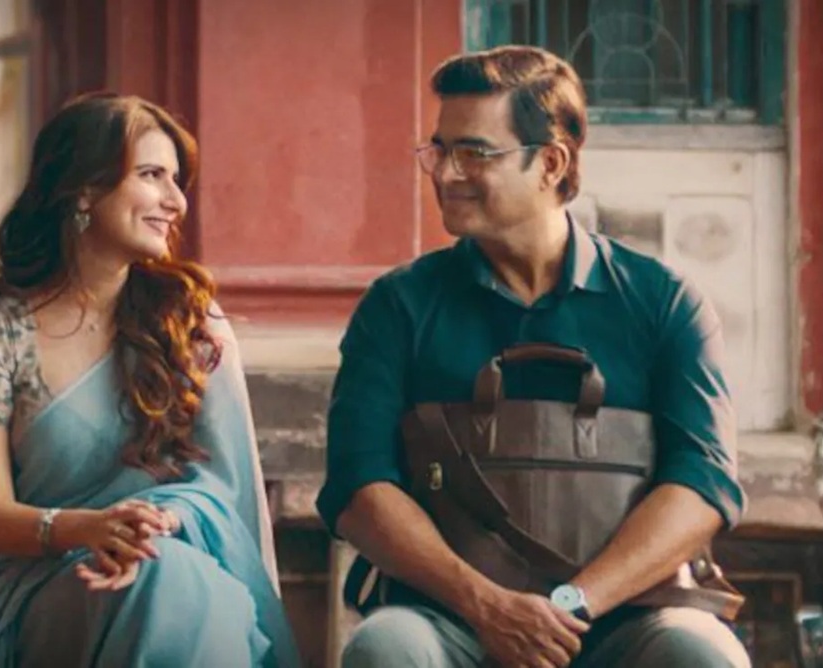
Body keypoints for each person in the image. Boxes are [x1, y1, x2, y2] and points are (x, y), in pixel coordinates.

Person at [318, 46, 751, 668]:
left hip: (629, 620)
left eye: (474, 153)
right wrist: (487, 606)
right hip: (449, 621)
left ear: (550, 162)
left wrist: (572, 604)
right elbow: (358, 485)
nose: (446, 173)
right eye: (439, 150)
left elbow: (703, 484)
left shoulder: (663, 303)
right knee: (385, 646)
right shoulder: (398, 306)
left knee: (703, 653)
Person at [0, 91, 300, 668]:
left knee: (171, 582)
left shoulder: (189, 324)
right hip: (39, 588)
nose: (175, 201)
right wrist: (88, 529)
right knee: (168, 588)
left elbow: (224, 488)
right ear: (84, 188)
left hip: (171, 559)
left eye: (176, 180)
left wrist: (155, 524)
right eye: (152, 175)